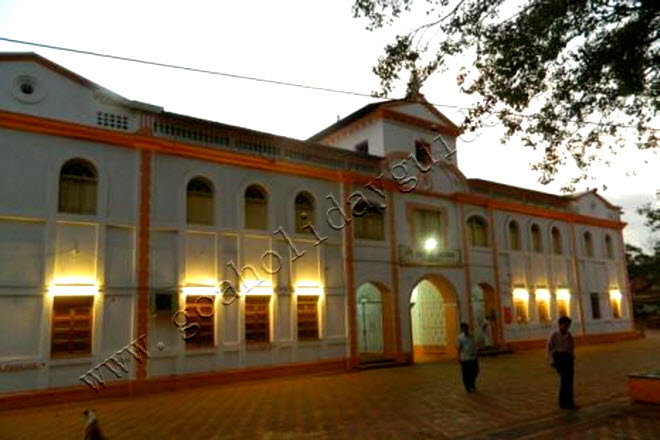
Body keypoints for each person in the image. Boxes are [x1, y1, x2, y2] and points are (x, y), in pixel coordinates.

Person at [547, 316, 576, 409]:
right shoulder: (554, 335)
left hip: (568, 358)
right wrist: (551, 360)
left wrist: (571, 355)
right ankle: (563, 402)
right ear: (560, 324)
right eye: (566, 325)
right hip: (559, 358)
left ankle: (569, 401)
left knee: (569, 380)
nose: (567, 327)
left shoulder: (568, 335)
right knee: (564, 380)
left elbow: (572, 346)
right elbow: (549, 348)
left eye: (568, 325)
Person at [456, 322, 479, 392]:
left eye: (466, 327)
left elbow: (474, 344)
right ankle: (468, 386)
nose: (465, 329)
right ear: (462, 329)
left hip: (473, 357)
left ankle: (472, 383)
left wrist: (476, 352)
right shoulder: (460, 337)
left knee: (475, 371)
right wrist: (459, 357)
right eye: (463, 328)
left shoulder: (472, 335)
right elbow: (459, 348)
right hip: (465, 358)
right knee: (466, 373)